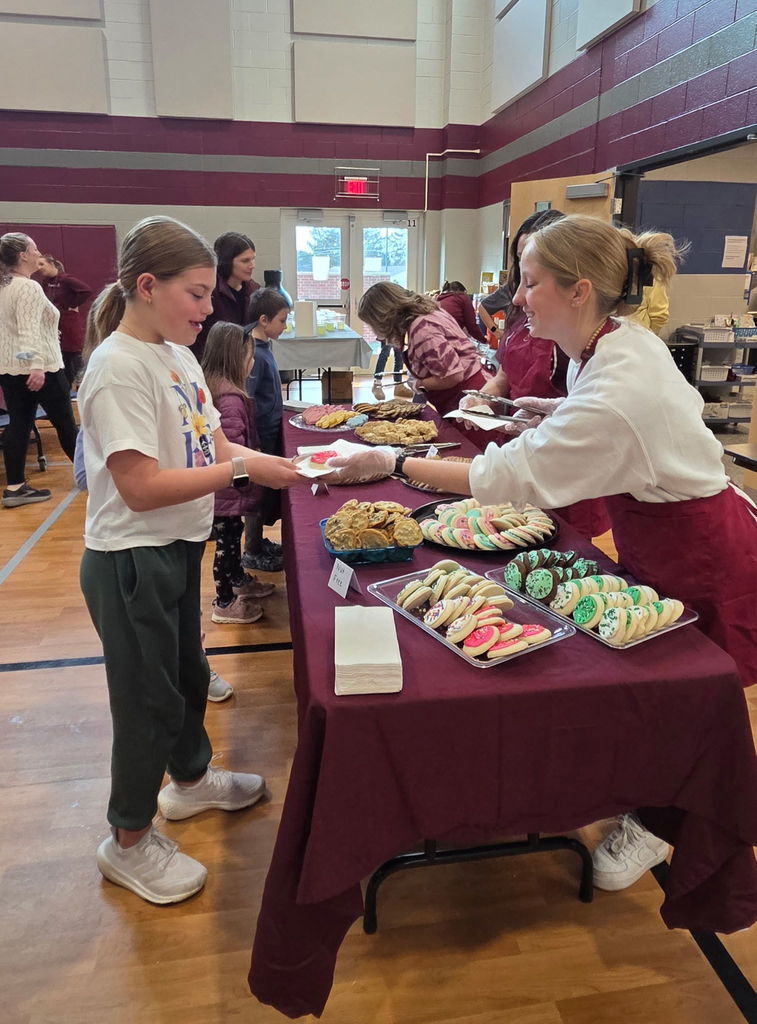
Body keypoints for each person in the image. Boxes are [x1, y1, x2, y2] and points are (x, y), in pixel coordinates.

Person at [327, 213, 757, 890]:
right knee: (651, 681)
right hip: (660, 536)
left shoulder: (617, 378)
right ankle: (641, 790)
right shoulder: (610, 344)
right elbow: (614, 415)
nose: (517, 297)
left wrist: (389, 460)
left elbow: (505, 477)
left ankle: (662, 826)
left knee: (690, 697)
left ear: (578, 290)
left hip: (701, 550)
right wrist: (545, 411)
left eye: (530, 282)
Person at [77, 215, 303, 904]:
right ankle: (127, 840)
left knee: (185, 674)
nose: (209, 310)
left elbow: (212, 444)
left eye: (209, 294)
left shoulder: (176, 356)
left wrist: (274, 463)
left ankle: (191, 780)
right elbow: (141, 488)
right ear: (147, 286)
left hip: (177, 546)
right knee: (146, 701)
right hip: (131, 558)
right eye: (197, 294)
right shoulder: (117, 368)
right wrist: (241, 473)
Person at [460, 209, 610, 539]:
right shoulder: (523, 314)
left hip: (563, 464)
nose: (518, 296)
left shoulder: (591, 344)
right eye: (520, 265)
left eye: (532, 280)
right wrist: (481, 398)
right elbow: (504, 377)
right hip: (521, 444)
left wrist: (397, 464)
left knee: (562, 541)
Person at [201, 321, 276, 622]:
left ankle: (237, 581)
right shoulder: (229, 401)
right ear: (236, 359)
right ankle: (224, 602)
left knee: (233, 538)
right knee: (227, 545)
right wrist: (253, 478)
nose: (253, 361)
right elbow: (231, 452)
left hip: (229, 492)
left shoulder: (219, 390)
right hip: (227, 492)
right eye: (249, 356)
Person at [0, 232, 78, 507]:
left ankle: (15, 487)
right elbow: (28, 329)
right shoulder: (28, 287)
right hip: (41, 367)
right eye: (34, 249)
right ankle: (93, 477)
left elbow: (14, 330)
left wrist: (48, 334)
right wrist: (35, 365)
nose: (38, 253)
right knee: (65, 423)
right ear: (22, 255)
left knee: (19, 423)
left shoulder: (5, 285)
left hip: (10, 367)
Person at [357, 282, 491, 417]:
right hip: (467, 395)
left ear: (383, 318)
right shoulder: (427, 313)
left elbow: (453, 376)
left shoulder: (422, 329)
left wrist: (419, 383)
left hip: (468, 399)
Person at [242, 288, 289, 573]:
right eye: (282, 320)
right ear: (263, 320)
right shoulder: (254, 354)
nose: (285, 326)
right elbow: (248, 399)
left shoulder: (264, 347)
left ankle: (258, 543)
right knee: (256, 496)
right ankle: (252, 551)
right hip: (260, 435)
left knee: (265, 494)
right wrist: (254, 440)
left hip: (270, 431)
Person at [190, 231, 260, 361]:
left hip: (239, 361)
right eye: (245, 261)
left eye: (253, 259)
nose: (252, 265)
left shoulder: (254, 289)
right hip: (210, 362)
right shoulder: (210, 291)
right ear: (227, 261)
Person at [37, 254, 93, 388]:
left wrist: (72, 304)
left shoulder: (66, 279)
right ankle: (67, 388)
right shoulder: (45, 282)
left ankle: (84, 384)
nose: (39, 268)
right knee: (62, 355)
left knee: (74, 354)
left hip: (69, 322)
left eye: (42, 264)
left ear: (52, 264)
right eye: (37, 265)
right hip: (54, 323)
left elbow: (86, 290)